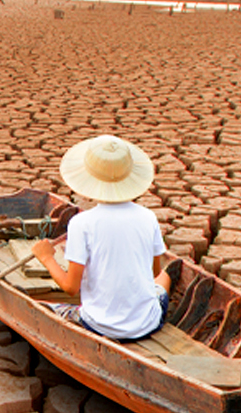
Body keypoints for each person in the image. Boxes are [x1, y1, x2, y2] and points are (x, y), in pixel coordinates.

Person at [29, 135, 172, 341]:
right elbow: (155, 272)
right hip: (147, 324)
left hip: (99, 325)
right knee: (165, 277)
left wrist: (46, 258)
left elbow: (71, 288)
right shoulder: (147, 216)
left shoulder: (82, 223)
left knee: (50, 308)